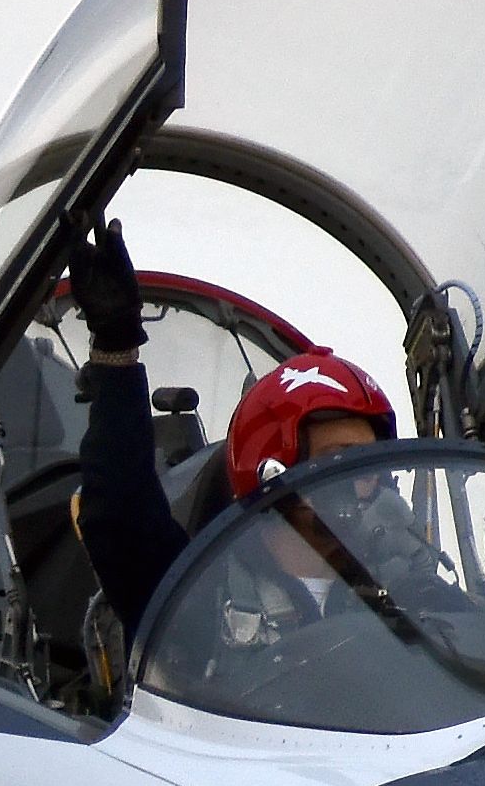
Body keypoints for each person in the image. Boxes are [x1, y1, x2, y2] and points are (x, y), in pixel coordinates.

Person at [65, 220, 395, 642]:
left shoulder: (405, 598)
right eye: (337, 460)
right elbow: (121, 515)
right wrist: (115, 351)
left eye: (366, 465)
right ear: (273, 470)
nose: (356, 482)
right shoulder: (196, 603)